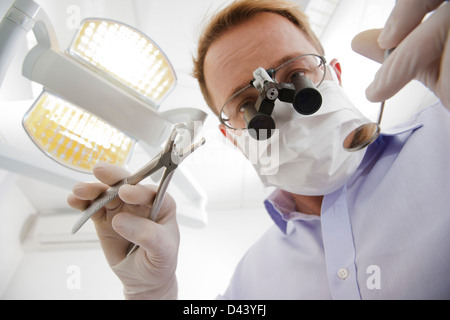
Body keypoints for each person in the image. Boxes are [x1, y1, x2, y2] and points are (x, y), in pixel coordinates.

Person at [67, 0, 450, 299]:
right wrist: (153, 294)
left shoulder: (443, 133)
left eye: (295, 75)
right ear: (232, 135)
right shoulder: (248, 287)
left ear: (335, 73)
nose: (279, 104)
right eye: (247, 103)